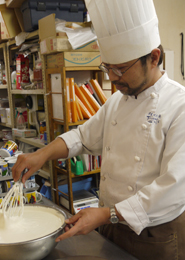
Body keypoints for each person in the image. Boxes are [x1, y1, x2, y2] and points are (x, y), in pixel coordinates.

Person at [12, 0, 185, 259]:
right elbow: (83, 136)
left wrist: (106, 214)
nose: (112, 78)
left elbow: (173, 189)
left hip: (153, 236)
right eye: (108, 68)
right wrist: (43, 154)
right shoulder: (118, 100)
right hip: (110, 224)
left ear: (154, 57)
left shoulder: (179, 106)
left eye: (120, 69)